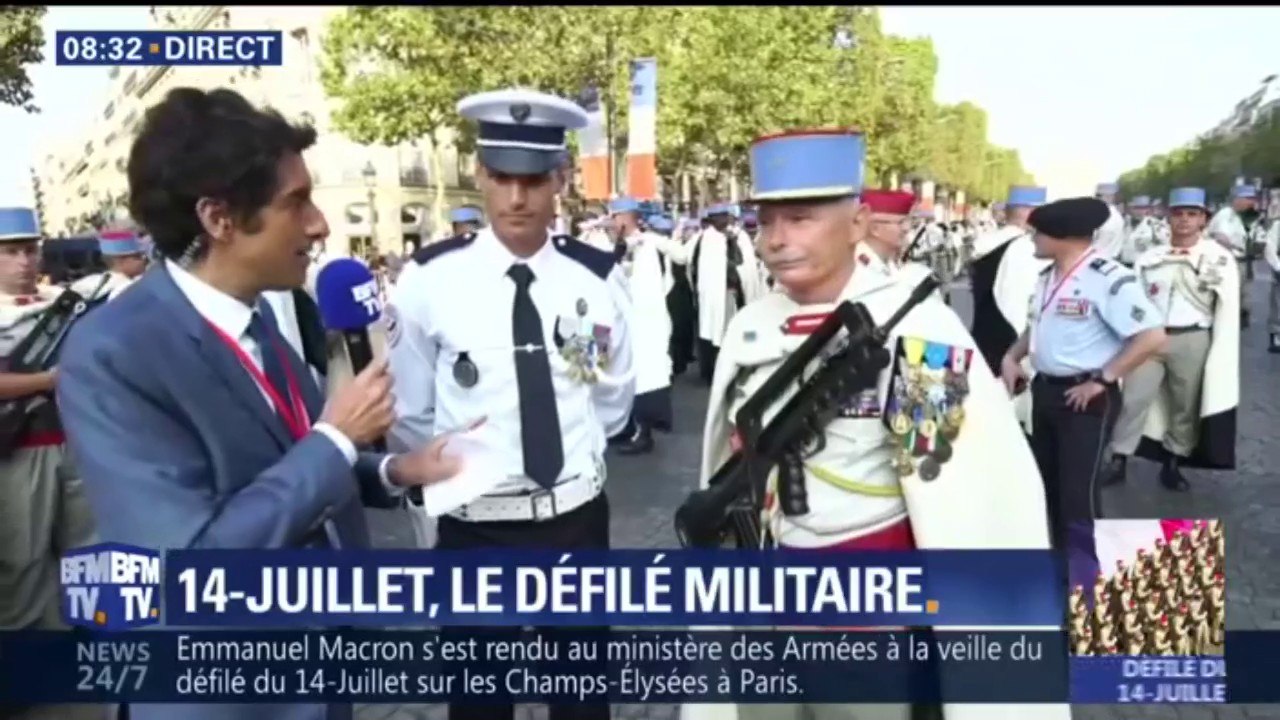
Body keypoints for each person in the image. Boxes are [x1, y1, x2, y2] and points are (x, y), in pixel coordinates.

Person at [55, 88, 462, 720]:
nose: (320, 225)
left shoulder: (258, 322)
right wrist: (336, 437)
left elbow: (297, 456)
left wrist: (395, 470)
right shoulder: (112, 354)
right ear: (219, 218)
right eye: (295, 203)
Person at [688, 129, 1063, 720]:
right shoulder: (751, 326)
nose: (778, 240)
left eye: (802, 218)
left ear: (858, 222)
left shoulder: (917, 332)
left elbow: (947, 482)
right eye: (766, 222)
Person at [386, 88, 634, 720]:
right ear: (479, 176)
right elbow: (412, 411)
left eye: (532, 179)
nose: (516, 198)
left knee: (582, 703)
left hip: (573, 523)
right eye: (500, 177)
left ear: (561, 180)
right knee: (478, 704)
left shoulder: (597, 280)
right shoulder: (429, 282)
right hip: (473, 528)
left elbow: (612, 399)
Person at [1000, 197, 1165, 551]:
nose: (1032, 239)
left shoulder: (1108, 279)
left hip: (1084, 399)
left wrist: (1103, 379)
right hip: (1045, 393)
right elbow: (1039, 324)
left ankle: (1087, 585)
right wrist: (1012, 357)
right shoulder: (1048, 276)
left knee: (1078, 496)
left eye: (1038, 233)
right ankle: (1059, 568)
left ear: (1062, 236)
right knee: (1046, 486)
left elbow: (1151, 336)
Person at [0, 208, 101, 720]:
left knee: (82, 551)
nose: (23, 261)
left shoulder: (59, 305)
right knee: (22, 561)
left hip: (74, 444)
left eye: (29, 249)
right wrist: (47, 381)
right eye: (10, 251)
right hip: (19, 454)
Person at [1105, 188, 1238, 490]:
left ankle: (1174, 462)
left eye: (1192, 214)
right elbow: (1133, 299)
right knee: (1133, 398)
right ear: (1169, 217)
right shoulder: (1150, 257)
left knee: (1185, 404)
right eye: (1178, 214)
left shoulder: (1219, 258)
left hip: (1192, 336)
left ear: (1204, 219)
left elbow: (1227, 302)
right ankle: (1119, 458)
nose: (1184, 220)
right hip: (1149, 339)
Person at [607, 197, 672, 455]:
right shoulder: (619, 244)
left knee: (643, 376)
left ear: (625, 218)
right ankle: (620, 426)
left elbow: (642, 290)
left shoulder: (646, 245)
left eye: (614, 217)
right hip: (616, 322)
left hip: (641, 324)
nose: (611, 223)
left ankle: (642, 433)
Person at [689, 202, 766, 383]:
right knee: (711, 332)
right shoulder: (707, 239)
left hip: (733, 294)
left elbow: (741, 263)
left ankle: (737, 366)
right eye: (722, 217)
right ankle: (712, 371)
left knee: (734, 331)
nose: (725, 220)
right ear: (714, 220)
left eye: (727, 216)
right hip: (712, 296)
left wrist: (732, 243)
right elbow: (704, 266)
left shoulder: (737, 237)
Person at [651, 215, 697, 375]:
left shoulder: (666, 245)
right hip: (669, 291)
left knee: (677, 327)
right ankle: (676, 362)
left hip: (675, 289)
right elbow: (681, 258)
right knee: (674, 328)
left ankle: (679, 361)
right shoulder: (662, 246)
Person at [1206, 184, 1257, 326]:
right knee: (1228, 292)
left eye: (1252, 199)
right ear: (1237, 200)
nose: (1250, 203)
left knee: (1244, 292)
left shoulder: (1247, 217)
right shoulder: (1226, 214)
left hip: (1244, 260)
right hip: (1227, 260)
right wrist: (1236, 248)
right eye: (1247, 199)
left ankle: (1240, 317)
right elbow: (1221, 237)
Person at [94, 228, 149, 300]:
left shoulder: (93, 281)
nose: (144, 260)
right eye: (137, 256)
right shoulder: (128, 288)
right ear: (119, 261)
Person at [1120, 195, 1168, 265]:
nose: (1139, 211)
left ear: (1148, 209)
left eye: (1142, 208)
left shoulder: (1156, 225)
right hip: (1124, 264)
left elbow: (1164, 246)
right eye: (1136, 208)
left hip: (1144, 265)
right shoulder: (1125, 224)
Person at [1092, 182, 1128, 260]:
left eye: (1098, 196)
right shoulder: (1114, 215)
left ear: (1109, 196)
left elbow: (1100, 243)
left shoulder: (1107, 216)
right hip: (1110, 258)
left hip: (1101, 259)